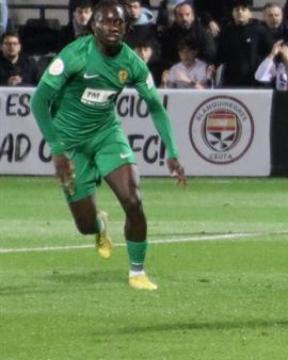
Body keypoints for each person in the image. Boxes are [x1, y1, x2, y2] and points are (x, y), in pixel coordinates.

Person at [30, 0, 186, 291]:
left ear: (127, 27)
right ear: (93, 25)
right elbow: (38, 101)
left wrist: (173, 152)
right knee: (85, 225)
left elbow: (155, 105)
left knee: (133, 200)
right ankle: (100, 226)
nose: (114, 26)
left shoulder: (131, 62)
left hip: (106, 135)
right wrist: (57, 148)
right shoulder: (74, 55)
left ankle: (137, 272)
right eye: (107, 21)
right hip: (71, 143)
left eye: (120, 22)